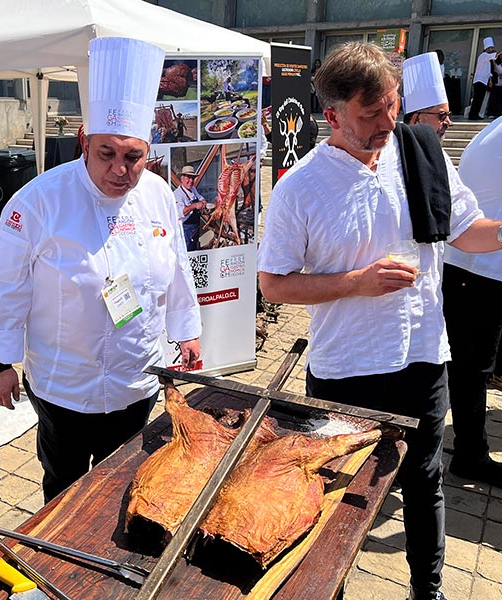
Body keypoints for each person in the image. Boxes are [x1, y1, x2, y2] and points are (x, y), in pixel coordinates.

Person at [258, 42, 502, 600]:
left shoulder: (419, 155)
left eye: (393, 105)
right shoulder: (300, 188)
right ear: (333, 115)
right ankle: (330, 588)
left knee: (424, 481)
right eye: (371, 114)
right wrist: (356, 283)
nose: (388, 122)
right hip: (346, 368)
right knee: (342, 491)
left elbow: (468, 231)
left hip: (422, 356)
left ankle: (428, 589)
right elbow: (273, 283)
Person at [0, 37, 202, 504]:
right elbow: (6, 286)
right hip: (64, 384)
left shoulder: (159, 195)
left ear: (148, 151)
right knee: (63, 485)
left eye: (133, 157)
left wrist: (187, 331)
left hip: (135, 375)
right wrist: (1, 363)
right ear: (85, 141)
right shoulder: (39, 201)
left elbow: (177, 267)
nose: (120, 169)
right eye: (107, 154)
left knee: (124, 482)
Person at [442, 116, 502, 487]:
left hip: (479, 263)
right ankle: (468, 455)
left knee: (473, 367)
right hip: (478, 265)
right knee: (469, 369)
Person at [402, 52, 453, 140]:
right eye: (442, 115)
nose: (449, 122)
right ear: (416, 120)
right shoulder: (395, 152)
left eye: (449, 115)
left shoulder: (441, 153)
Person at [174, 165, 206, 251]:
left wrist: (203, 202)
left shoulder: (193, 189)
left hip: (195, 229)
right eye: (188, 177)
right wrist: (194, 206)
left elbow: (200, 197)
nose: (191, 181)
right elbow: (181, 213)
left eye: (193, 178)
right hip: (185, 230)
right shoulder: (177, 194)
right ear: (182, 179)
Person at [468, 37, 501, 120]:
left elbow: (488, 71)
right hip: (479, 80)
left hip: (483, 81)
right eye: (490, 48)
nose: (492, 49)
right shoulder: (484, 55)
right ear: (487, 48)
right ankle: (472, 115)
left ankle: (476, 114)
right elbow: (494, 56)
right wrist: (500, 52)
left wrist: (489, 80)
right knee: (477, 99)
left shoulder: (487, 59)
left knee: (480, 99)